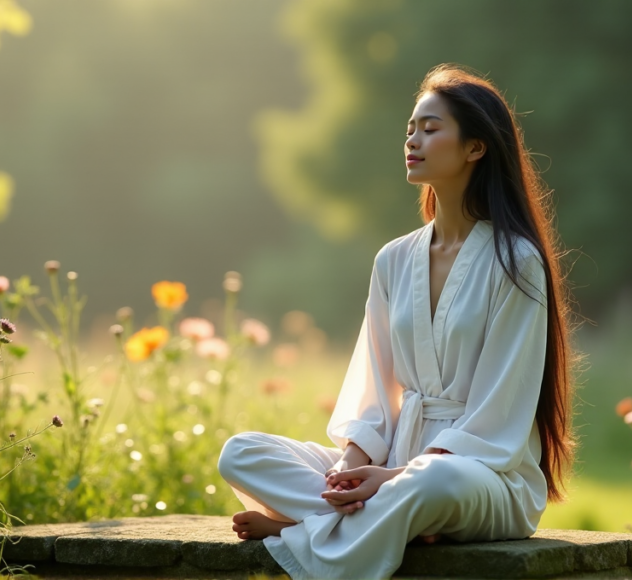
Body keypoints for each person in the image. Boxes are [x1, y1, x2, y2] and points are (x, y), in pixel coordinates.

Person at [217, 63, 576, 580]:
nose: (414, 139)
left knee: (432, 484)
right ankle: (379, 519)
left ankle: (292, 534)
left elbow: (499, 414)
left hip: (478, 475)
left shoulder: (515, 261)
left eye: (431, 129)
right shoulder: (393, 260)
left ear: (476, 147)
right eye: (411, 128)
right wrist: (348, 471)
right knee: (241, 453)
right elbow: (374, 391)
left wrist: (393, 478)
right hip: (392, 466)